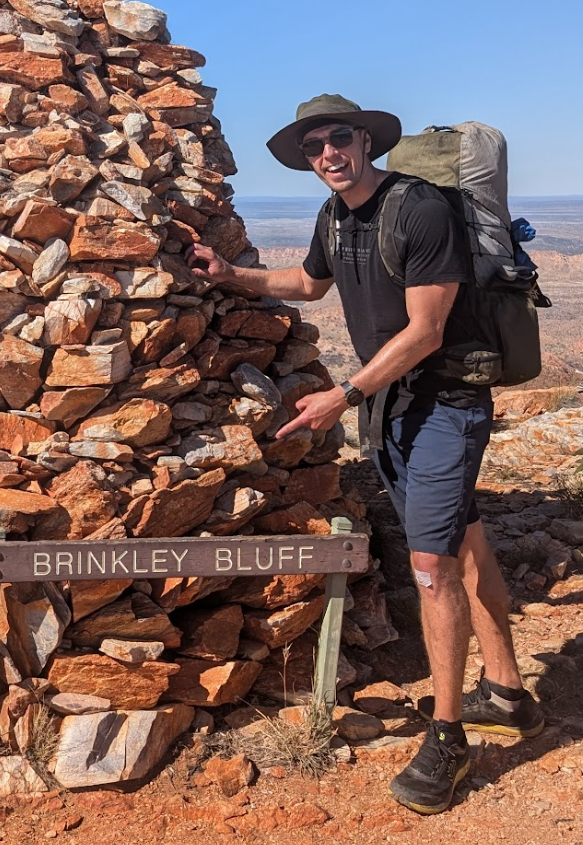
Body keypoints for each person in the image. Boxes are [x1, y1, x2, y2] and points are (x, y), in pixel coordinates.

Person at [188, 94, 542, 816]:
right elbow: (308, 283)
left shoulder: (418, 210)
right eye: (313, 145)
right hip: (394, 407)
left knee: (430, 568)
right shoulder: (334, 215)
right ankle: (506, 694)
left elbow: (426, 330)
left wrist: (342, 396)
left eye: (339, 137)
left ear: (365, 140)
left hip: (444, 404)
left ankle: (447, 738)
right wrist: (230, 275)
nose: (328, 153)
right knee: (463, 540)